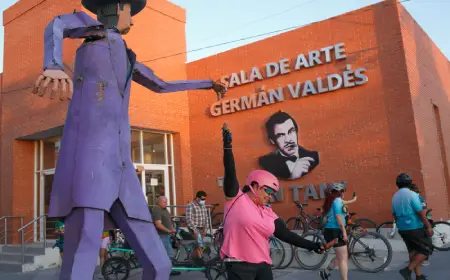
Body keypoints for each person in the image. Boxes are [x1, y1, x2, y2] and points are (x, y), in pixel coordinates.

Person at [32, 1, 226, 279]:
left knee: (160, 265)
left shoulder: (127, 55)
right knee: (82, 256)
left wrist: (208, 83)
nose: (132, 21)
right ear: (118, 6)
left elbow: (162, 84)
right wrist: (52, 64)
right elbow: (57, 25)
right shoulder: (92, 31)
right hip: (91, 164)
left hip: (122, 168)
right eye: (129, 13)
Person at [220, 122, 325, 280]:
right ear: (255, 185)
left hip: (263, 265)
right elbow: (230, 172)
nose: (270, 196)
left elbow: (286, 235)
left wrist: (313, 245)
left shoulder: (267, 212)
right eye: (268, 191)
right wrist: (227, 146)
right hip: (239, 265)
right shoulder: (236, 198)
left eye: (273, 193)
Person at [393, 173, 433, 280]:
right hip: (414, 227)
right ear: (409, 183)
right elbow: (420, 212)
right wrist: (428, 226)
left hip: (402, 229)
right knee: (427, 249)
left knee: (413, 251)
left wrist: (398, 224)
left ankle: (418, 276)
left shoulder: (395, 196)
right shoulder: (412, 195)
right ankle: (407, 270)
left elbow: (394, 214)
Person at [258, 111, 320, 180]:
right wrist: (293, 175)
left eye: (291, 131)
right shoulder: (266, 162)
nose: (288, 140)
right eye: (281, 135)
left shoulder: (314, 157)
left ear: (296, 132)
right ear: (272, 140)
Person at [319, 183, 349, 280]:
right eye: (342, 192)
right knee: (343, 257)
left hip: (331, 230)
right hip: (335, 230)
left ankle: (325, 273)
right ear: (340, 193)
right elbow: (338, 217)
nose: (343, 193)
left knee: (340, 256)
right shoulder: (336, 201)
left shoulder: (333, 201)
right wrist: (344, 232)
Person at [151, 196, 180, 276]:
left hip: (167, 234)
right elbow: (158, 224)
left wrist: (172, 229)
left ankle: (168, 270)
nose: (166, 204)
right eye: (164, 202)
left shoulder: (165, 209)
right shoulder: (157, 210)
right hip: (162, 235)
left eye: (166, 202)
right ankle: (166, 271)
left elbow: (168, 220)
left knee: (168, 253)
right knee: (168, 254)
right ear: (159, 202)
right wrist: (169, 231)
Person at [408, 183, 431, 267]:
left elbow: (423, 211)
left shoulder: (418, 198)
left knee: (422, 241)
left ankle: (423, 259)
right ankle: (416, 259)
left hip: (421, 223)